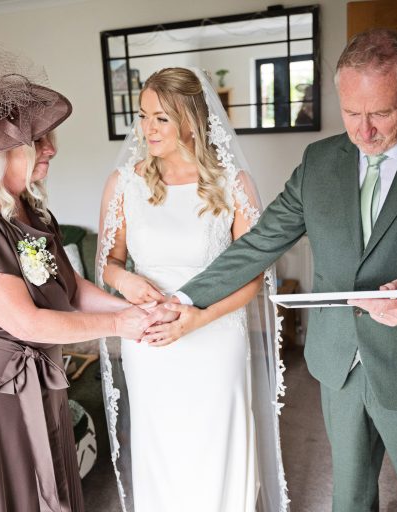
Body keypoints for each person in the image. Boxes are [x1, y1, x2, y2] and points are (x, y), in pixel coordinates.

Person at [169, 29, 397, 511]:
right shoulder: (319, 160)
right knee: (348, 498)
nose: (363, 130)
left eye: (380, 113)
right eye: (351, 112)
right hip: (338, 365)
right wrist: (185, 298)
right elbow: (261, 242)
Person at [0, 54, 160, 512]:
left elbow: (69, 289)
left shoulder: (30, 209)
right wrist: (120, 326)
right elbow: (25, 323)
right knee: (10, 490)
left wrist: (130, 307)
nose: (51, 148)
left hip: (38, 369)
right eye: (38, 141)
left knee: (47, 477)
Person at [96, 67, 287, 511]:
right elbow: (109, 262)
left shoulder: (233, 184)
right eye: (143, 116)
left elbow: (252, 273)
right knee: (161, 443)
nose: (147, 129)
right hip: (151, 338)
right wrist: (124, 279)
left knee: (215, 440)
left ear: (191, 118)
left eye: (161, 118)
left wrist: (199, 317)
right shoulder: (124, 184)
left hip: (215, 334)